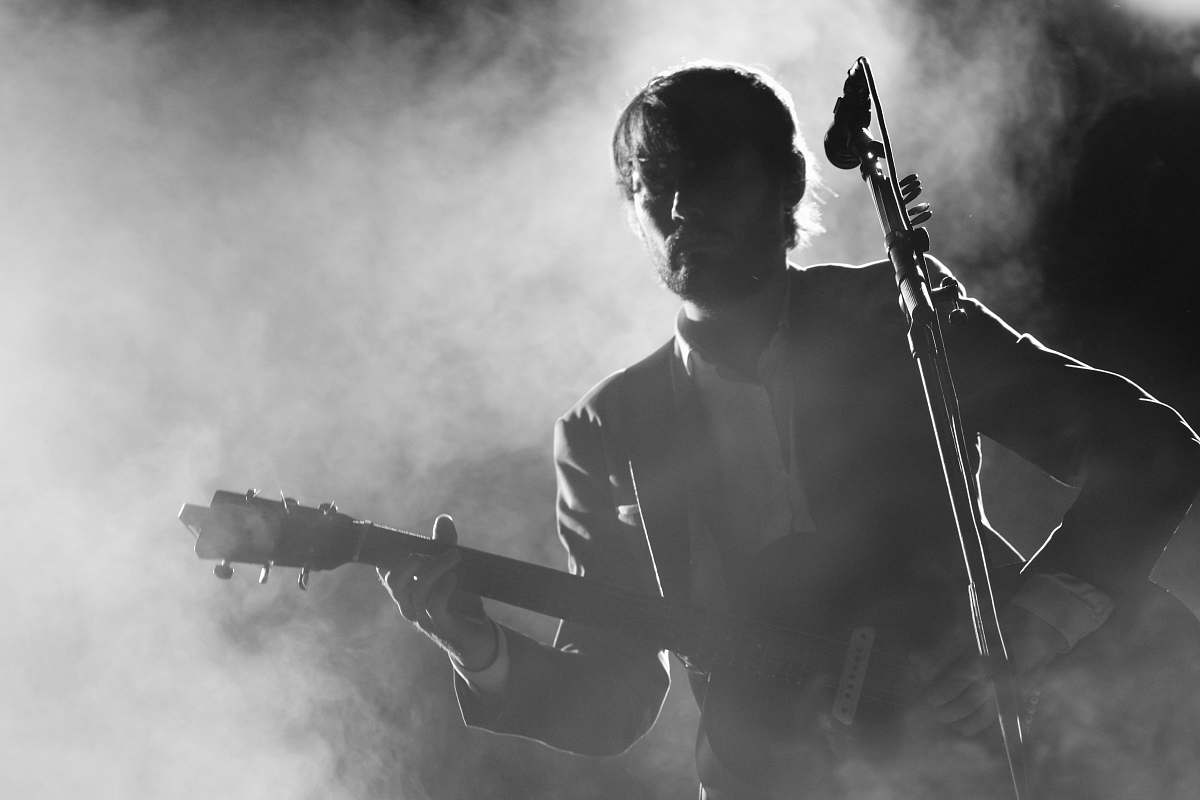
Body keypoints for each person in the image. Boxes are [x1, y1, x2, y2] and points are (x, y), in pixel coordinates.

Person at [378, 62, 1200, 799]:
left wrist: (1024, 633)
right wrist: (476, 646)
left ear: (790, 183)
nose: (680, 207)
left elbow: (1149, 451)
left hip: (1006, 761)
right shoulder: (606, 433)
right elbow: (614, 704)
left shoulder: (892, 318)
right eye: (651, 184)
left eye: (709, 176)